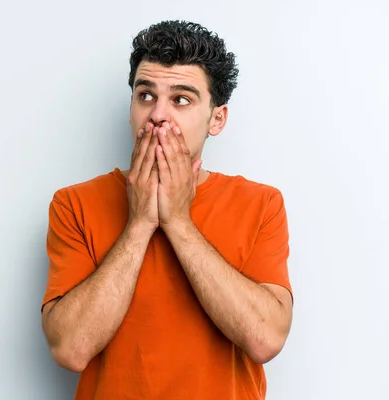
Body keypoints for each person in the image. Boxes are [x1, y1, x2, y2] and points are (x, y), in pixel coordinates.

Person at [40, 20, 293, 400]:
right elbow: (70, 349)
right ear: (130, 109)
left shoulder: (261, 204)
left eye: (181, 99)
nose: (158, 115)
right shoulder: (73, 204)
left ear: (217, 118)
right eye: (145, 95)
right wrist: (141, 221)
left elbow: (266, 340)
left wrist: (177, 220)